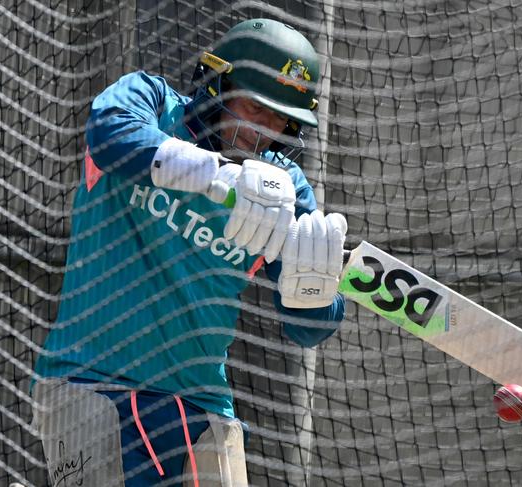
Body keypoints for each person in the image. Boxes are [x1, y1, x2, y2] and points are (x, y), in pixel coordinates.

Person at [32, 18, 347, 487]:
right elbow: (110, 135)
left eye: (280, 119)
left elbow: (307, 330)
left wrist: (315, 289)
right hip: (91, 382)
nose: (262, 131)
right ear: (217, 84)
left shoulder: (286, 187)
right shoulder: (151, 102)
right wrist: (219, 176)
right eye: (253, 107)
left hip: (203, 405)